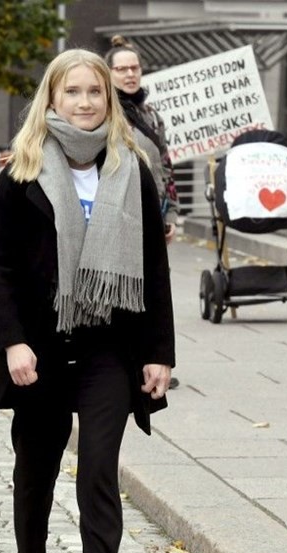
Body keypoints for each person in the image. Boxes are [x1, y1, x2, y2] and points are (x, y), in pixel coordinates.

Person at [0, 49, 175, 553]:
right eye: (72, 91)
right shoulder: (22, 172)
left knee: (99, 469)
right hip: (41, 347)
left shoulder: (132, 169)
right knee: (37, 468)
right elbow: (0, 269)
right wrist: (14, 344)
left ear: (109, 99)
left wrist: (160, 353)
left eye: (94, 92)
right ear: (51, 99)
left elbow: (154, 266)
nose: (84, 101)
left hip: (108, 345)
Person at [105, 35, 182, 390]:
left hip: (154, 211)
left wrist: (172, 213)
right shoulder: (105, 112)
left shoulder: (151, 114)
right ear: (109, 73)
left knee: (153, 284)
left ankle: (154, 356)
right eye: (121, 69)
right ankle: (130, 359)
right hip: (120, 211)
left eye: (134, 68)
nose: (129, 74)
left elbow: (165, 165)